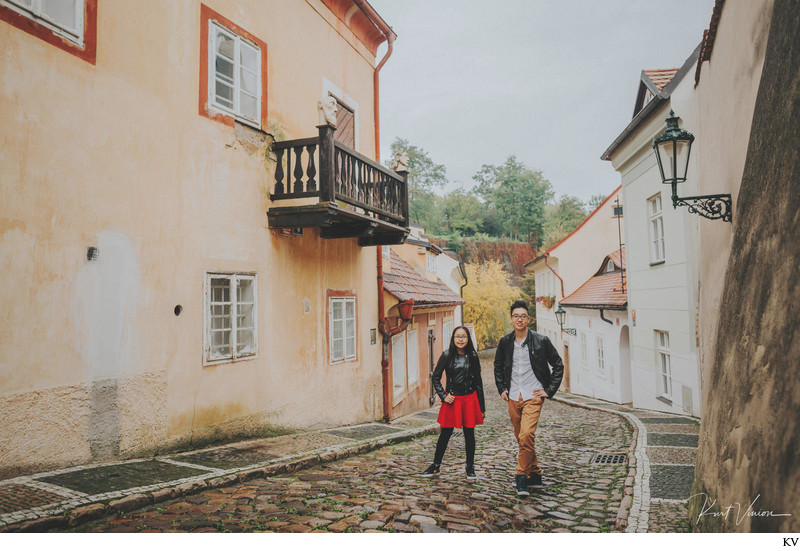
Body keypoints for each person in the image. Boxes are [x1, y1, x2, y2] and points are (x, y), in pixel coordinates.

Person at [494, 300, 564, 497]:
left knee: (526, 435)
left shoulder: (541, 341)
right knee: (521, 438)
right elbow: (498, 366)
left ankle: (521, 477)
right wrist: (502, 388)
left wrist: (549, 390)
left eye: (523, 316)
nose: (519, 319)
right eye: (516, 316)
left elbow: (558, 365)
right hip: (514, 395)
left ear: (528, 319)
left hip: (533, 394)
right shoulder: (505, 342)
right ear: (511, 319)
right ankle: (535, 473)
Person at [422, 326, 485, 479]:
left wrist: (482, 407)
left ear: (468, 338)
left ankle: (470, 468)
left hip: (469, 399)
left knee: (469, 434)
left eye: (463, 336)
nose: (461, 339)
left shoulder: (473, 356)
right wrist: (443, 395)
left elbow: (478, 382)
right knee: (445, 434)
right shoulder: (447, 355)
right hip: (452, 401)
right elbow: (435, 377)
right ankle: (435, 465)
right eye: (458, 336)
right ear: (453, 338)